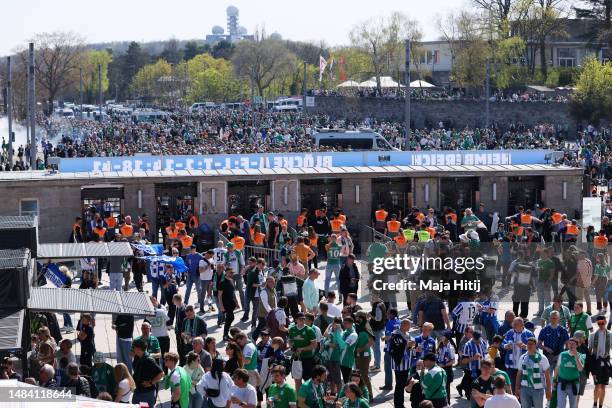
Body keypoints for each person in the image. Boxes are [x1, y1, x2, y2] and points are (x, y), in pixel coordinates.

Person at [515, 338, 552, 408]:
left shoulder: (542, 358)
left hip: (538, 389)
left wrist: (548, 390)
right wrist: (517, 388)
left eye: (531, 344)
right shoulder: (522, 358)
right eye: (528, 344)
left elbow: (547, 376)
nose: (529, 345)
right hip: (524, 388)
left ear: (536, 345)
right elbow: (519, 374)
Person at [288, 312, 317, 392]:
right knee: (297, 380)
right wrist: (291, 346)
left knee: (308, 380)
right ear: (296, 320)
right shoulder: (292, 329)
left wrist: (302, 349)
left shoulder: (309, 330)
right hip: (296, 358)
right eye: (300, 319)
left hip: (307, 358)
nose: (302, 321)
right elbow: (290, 341)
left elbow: (314, 345)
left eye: (304, 319)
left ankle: (309, 398)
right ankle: (298, 400)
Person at [502, 318, 534, 388]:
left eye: (516, 324)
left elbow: (535, 349)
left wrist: (525, 347)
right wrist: (506, 346)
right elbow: (503, 343)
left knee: (523, 387)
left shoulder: (529, 334)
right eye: (514, 324)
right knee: (512, 386)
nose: (514, 326)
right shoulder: (510, 332)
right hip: (511, 366)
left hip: (524, 366)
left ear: (522, 325)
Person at [131, 338, 164, 407]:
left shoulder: (149, 360)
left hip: (146, 393)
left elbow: (161, 373)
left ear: (138, 348)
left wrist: (151, 383)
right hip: (138, 391)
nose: (132, 349)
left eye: (133, 347)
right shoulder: (137, 357)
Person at [588, 315, 612, 408]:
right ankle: (595, 404)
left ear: (605, 322)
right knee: (597, 385)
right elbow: (590, 350)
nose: (601, 325)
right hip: (596, 361)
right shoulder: (592, 335)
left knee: (603, 386)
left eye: (602, 323)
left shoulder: (610, 334)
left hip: (606, 361)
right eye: (599, 323)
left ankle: (601, 405)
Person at [554, 337, 584, 408]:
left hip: (574, 384)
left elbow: (580, 369)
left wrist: (576, 356)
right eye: (569, 344)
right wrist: (554, 380)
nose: (571, 345)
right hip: (562, 383)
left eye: (573, 344)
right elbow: (557, 368)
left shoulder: (581, 355)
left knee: (573, 405)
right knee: (560, 405)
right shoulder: (562, 354)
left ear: (577, 345)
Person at [353, 311, 374, 400]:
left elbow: (371, 342)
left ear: (361, 317)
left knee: (364, 375)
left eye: (357, 316)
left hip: (365, 355)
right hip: (357, 355)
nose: (356, 318)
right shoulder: (357, 327)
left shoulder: (366, 326)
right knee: (358, 375)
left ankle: (370, 394)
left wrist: (361, 349)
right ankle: (360, 393)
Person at [218, 267, 238, 340]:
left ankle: (226, 334)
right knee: (231, 318)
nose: (231, 274)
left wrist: (237, 302)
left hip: (231, 303)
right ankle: (225, 335)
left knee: (229, 319)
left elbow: (233, 293)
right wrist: (221, 306)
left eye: (232, 272)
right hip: (226, 304)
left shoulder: (232, 281)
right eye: (230, 272)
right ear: (226, 272)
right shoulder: (222, 282)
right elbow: (219, 295)